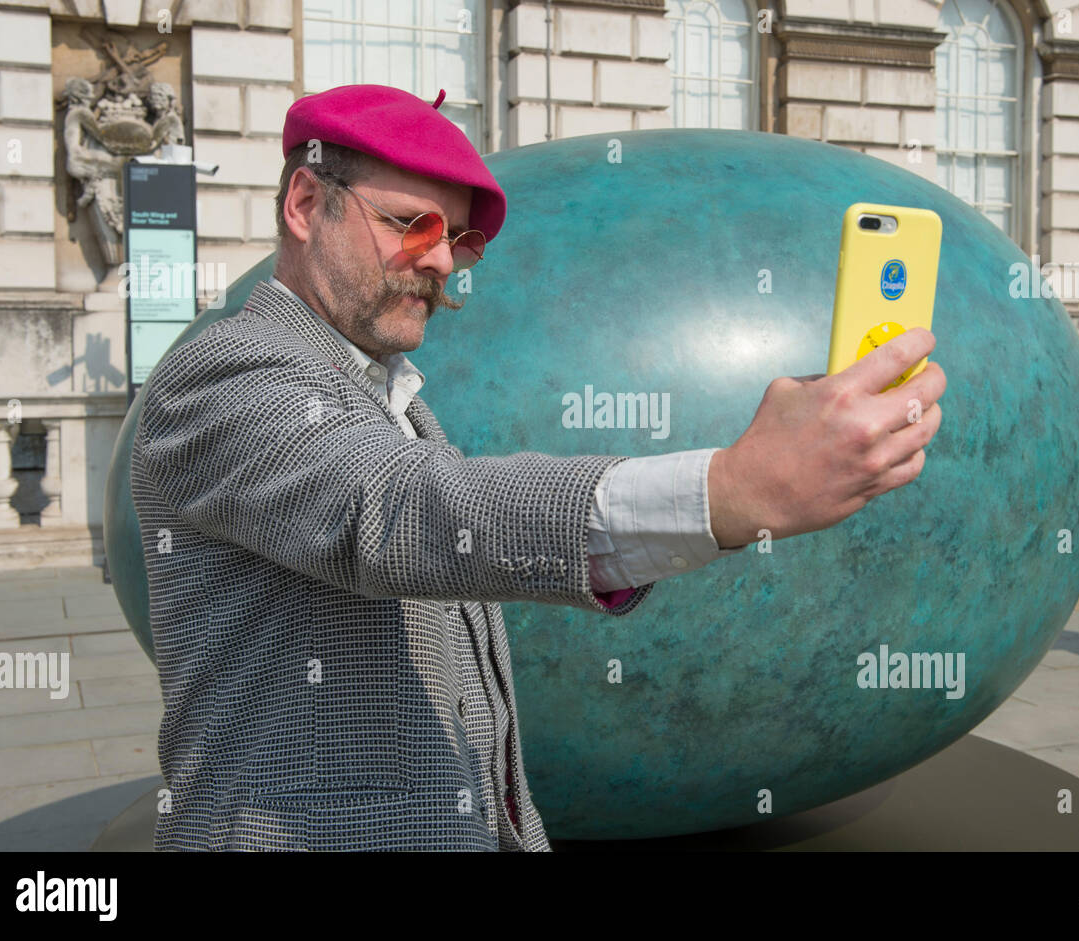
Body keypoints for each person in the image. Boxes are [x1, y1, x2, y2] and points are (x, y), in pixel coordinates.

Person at [130, 84, 945, 851]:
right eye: (411, 225)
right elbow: (403, 512)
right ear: (307, 205)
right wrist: (728, 490)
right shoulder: (225, 376)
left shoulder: (392, 395)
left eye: (457, 238)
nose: (443, 262)